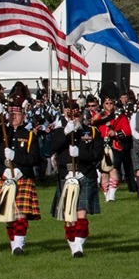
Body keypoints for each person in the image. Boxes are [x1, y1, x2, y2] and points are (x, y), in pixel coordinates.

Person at [51, 100, 104, 257]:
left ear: (82, 115)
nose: (74, 119)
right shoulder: (60, 131)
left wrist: (80, 154)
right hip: (65, 175)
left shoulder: (92, 132)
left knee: (81, 212)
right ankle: (73, 243)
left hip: (85, 174)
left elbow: (98, 154)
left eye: (77, 115)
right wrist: (66, 133)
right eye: (71, 115)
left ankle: (79, 246)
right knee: (69, 215)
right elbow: (52, 148)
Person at [0, 102, 42, 255]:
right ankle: (13, 242)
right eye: (11, 115)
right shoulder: (3, 132)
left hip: (22, 176)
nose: (14, 117)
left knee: (20, 211)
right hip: (4, 176)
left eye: (17, 115)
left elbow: (34, 158)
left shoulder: (29, 135)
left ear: (23, 117)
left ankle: (19, 244)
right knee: (8, 213)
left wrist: (16, 159)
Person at [92, 94, 132, 202]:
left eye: (111, 103)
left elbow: (127, 131)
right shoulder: (99, 116)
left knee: (114, 170)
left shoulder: (120, 115)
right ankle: (106, 195)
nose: (109, 105)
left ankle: (112, 195)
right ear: (103, 104)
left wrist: (116, 132)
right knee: (104, 172)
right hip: (102, 146)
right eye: (107, 103)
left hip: (115, 146)